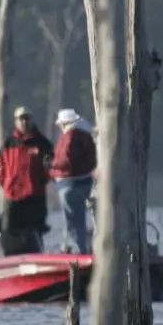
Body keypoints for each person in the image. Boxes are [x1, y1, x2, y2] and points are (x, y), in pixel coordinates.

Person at [0, 106, 54, 255]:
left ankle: (37, 256)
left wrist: (43, 179)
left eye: (27, 119)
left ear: (31, 120)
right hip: (12, 194)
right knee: (9, 229)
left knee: (35, 229)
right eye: (21, 119)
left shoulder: (42, 143)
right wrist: (3, 181)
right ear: (16, 121)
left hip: (34, 194)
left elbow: (50, 164)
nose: (24, 122)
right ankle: (8, 257)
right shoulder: (8, 143)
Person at [51, 107, 98, 255]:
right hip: (84, 181)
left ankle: (77, 251)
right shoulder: (86, 134)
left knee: (72, 220)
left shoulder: (70, 136)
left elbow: (66, 160)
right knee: (77, 218)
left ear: (64, 123)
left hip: (69, 183)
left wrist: (51, 166)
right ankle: (69, 247)